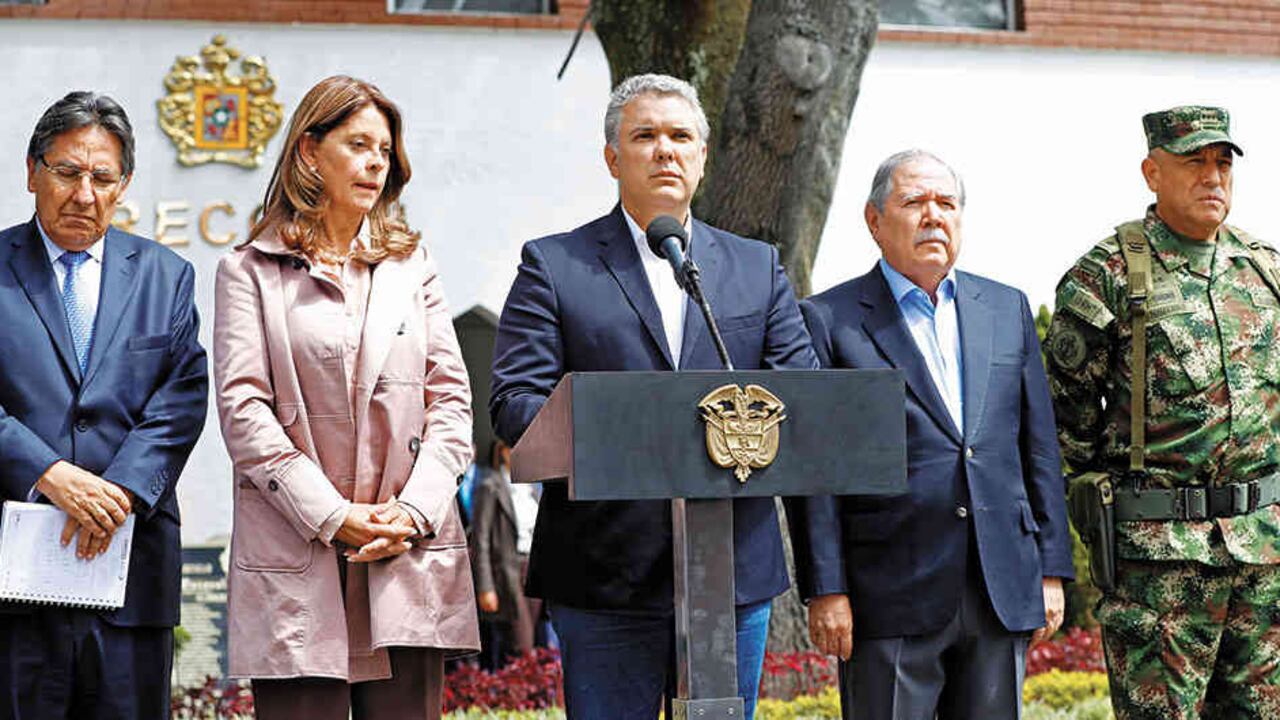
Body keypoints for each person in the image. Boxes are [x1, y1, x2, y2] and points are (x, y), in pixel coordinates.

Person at [489, 73, 817, 719]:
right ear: (613, 157)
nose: (665, 150)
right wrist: (626, 428)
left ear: (702, 156)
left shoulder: (757, 266)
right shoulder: (556, 265)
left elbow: (801, 398)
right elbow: (515, 403)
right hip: (604, 571)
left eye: (680, 136)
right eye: (645, 136)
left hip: (730, 572)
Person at [213, 75, 478, 720]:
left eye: (384, 151)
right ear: (309, 151)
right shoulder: (248, 270)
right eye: (358, 144)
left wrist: (412, 513)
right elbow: (244, 412)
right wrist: (333, 515)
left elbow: (452, 403)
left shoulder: (414, 266)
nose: (374, 163)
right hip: (299, 550)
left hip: (404, 550)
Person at [790, 149, 1073, 719]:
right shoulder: (828, 319)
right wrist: (826, 587)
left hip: (999, 582)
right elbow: (815, 470)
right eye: (914, 201)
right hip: (889, 590)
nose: (933, 215)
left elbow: (1038, 448)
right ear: (874, 221)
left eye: (946, 203)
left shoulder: (1004, 307)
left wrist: (1050, 568)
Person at [1045, 106, 1280, 719]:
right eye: (1193, 162)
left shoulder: (1263, 270)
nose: (1213, 177)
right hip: (1160, 567)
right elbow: (1062, 421)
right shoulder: (1109, 277)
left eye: (1222, 163)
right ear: (1152, 172)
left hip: (1263, 559)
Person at [0, 91, 208, 719]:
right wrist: (48, 472)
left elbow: (183, 396)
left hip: (129, 575)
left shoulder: (164, 275)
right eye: (67, 172)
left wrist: (115, 494)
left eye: (102, 177)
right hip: (13, 587)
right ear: (33, 170)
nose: (83, 193)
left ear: (124, 186)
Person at [469, 440, 543, 670]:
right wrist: (485, 586)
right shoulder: (490, 485)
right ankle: (518, 699)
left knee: (534, 636)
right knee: (521, 642)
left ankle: (526, 697)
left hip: (531, 568)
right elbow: (479, 539)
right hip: (506, 573)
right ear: (503, 452)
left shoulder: (532, 487)